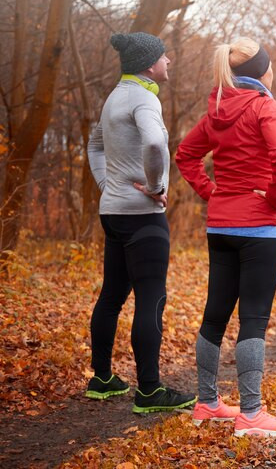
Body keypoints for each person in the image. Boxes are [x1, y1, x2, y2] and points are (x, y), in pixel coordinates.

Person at [175, 37, 276, 437]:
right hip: (259, 229)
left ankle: (208, 403)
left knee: (215, 315)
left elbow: (186, 155)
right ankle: (250, 414)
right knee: (254, 319)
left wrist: (214, 194)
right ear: (263, 71)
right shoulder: (266, 106)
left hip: (221, 227)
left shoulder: (217, 109)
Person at [86, 32, 196, 414]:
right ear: (150, 64)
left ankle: (102, 378)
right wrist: (155, 186)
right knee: (151, 297)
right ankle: (149, 391)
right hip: (142, 216)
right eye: (165, 57)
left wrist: (107, 184)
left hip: (113, 212)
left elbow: (94, 145)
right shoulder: (145, 98)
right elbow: (154, 144)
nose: (169, 62)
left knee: (112, 295)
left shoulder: (114, 97)